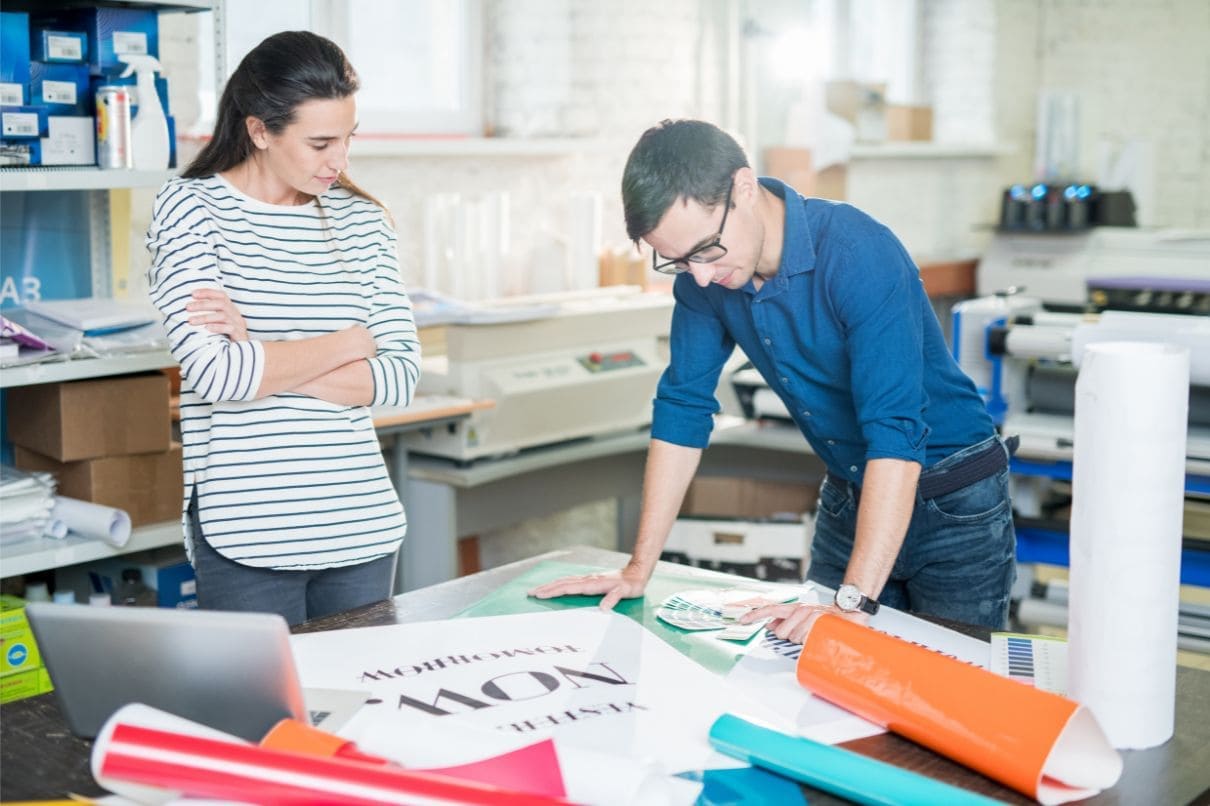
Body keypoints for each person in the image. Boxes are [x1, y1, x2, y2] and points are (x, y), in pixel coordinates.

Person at [531, 119, 1015, 641]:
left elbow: (895, 432)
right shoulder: (706, 277)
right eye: (675, 261)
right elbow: (682, 408)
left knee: (945, 692)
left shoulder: (859, 252)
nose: (698, 275)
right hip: (853, 492)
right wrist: (638, 568)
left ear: (743, 187)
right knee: (817, 685)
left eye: (705, 250)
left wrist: (852, 601)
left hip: (954, 502)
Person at [146, 31, 420, 626]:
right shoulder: (191, 209)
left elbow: (400, 377)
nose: (339, 160)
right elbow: (216, 374)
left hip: (361, 524)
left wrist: (261, 355)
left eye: (348, 139)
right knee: (261, 717)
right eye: (320, 142)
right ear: (260, 131)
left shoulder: (363, 221)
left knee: (363, 711)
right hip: (247, 530)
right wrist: (349, 344)